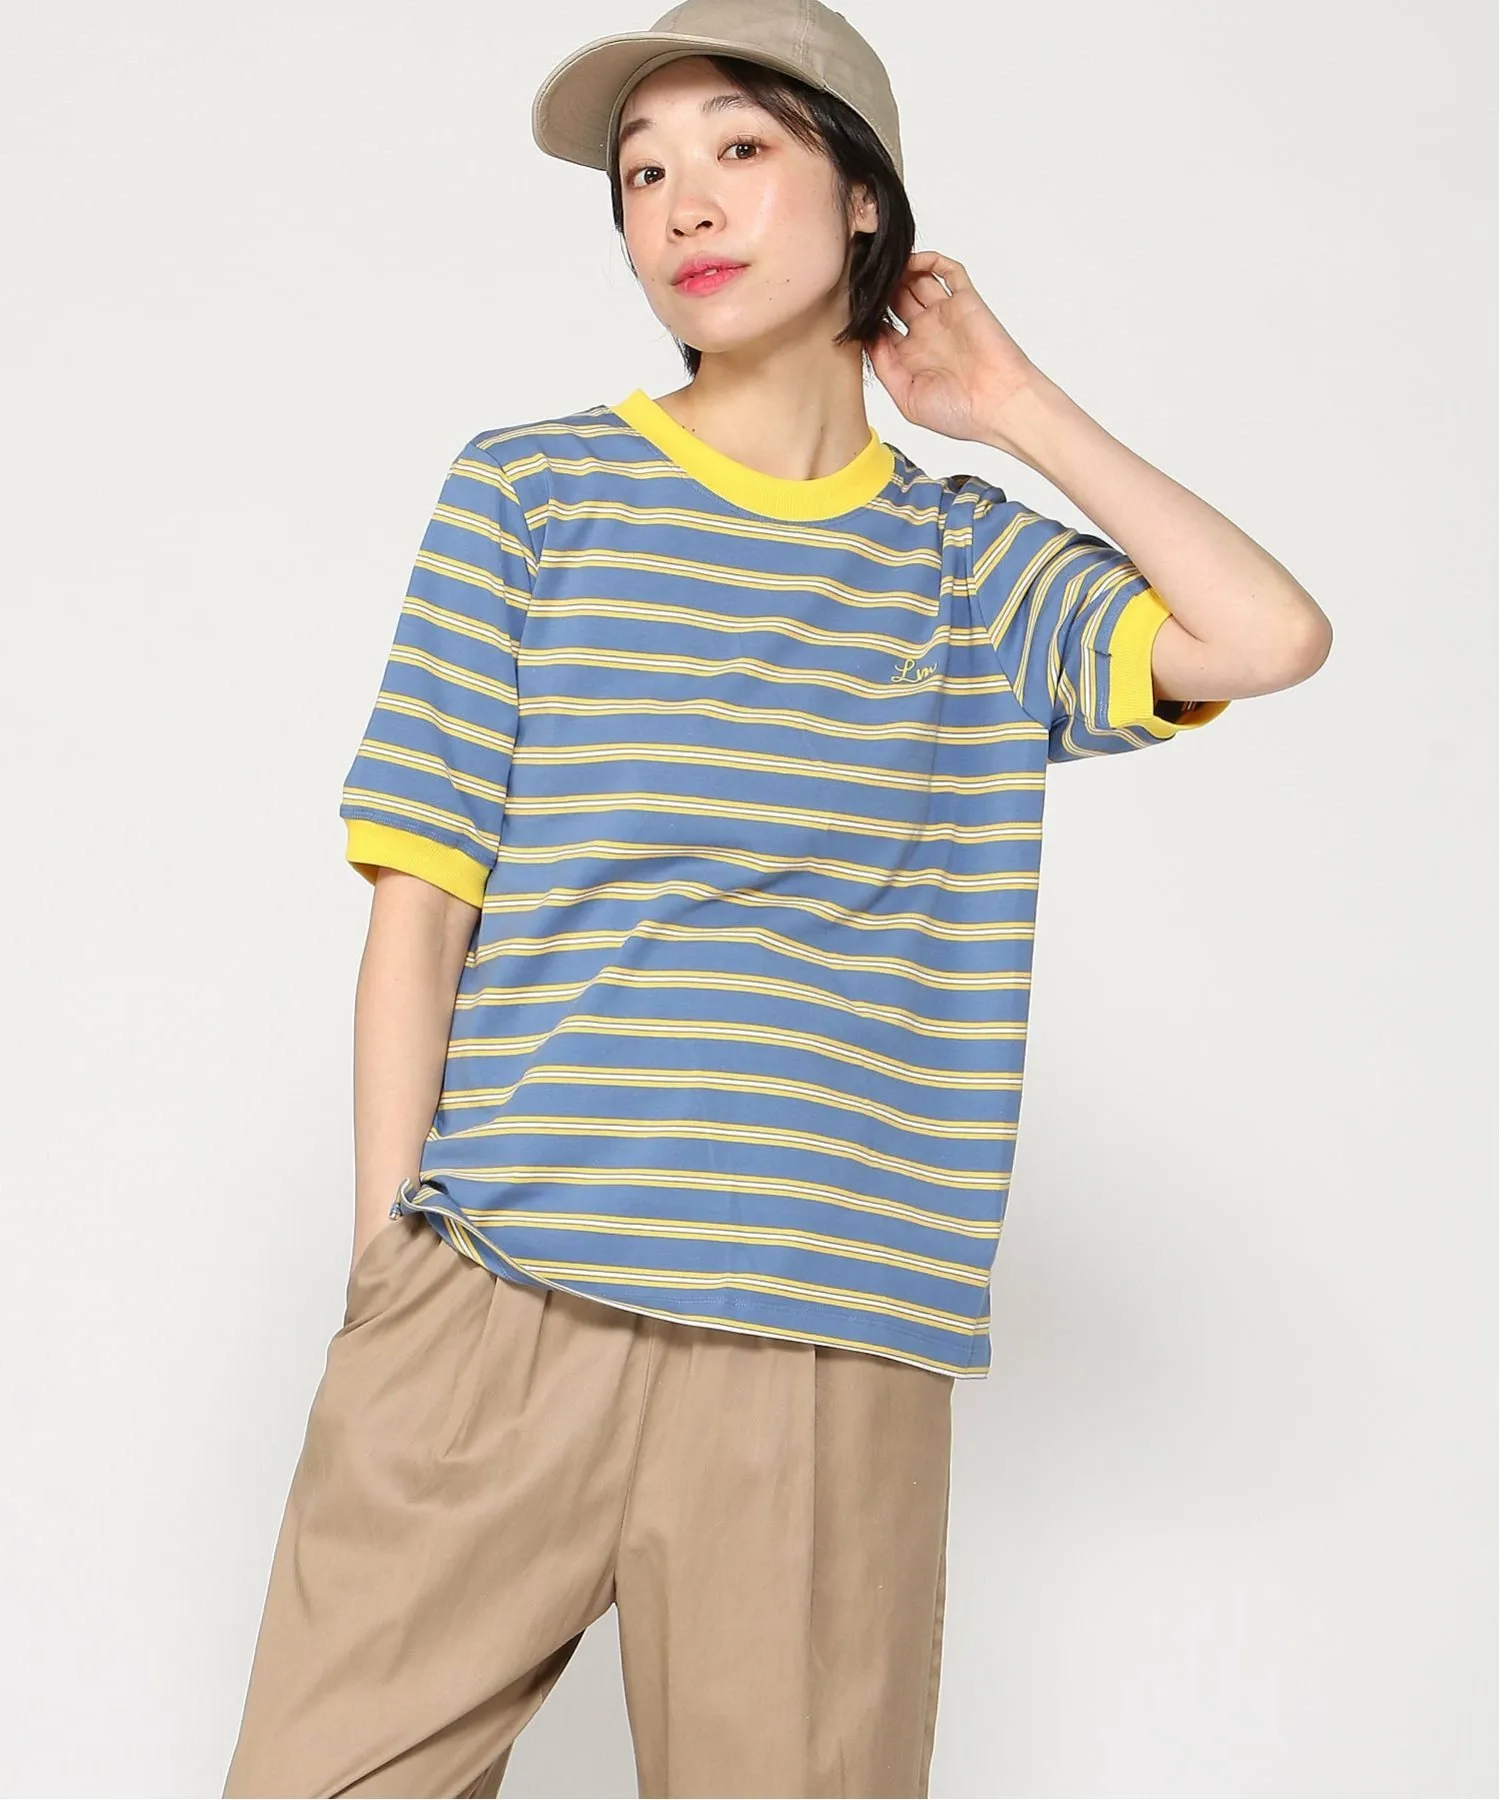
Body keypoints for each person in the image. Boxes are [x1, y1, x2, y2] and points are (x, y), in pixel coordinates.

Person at [222, 2, 1333, 1795]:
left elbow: (1267, 635)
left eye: (741, 147)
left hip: (826, 1343)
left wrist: (1010, 405)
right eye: (641, 174)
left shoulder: (972, 570)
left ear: (865, 200)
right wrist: (388, 1282)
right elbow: (418, 908)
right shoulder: (533, 496)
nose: (682, 203)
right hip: (501, 1297)